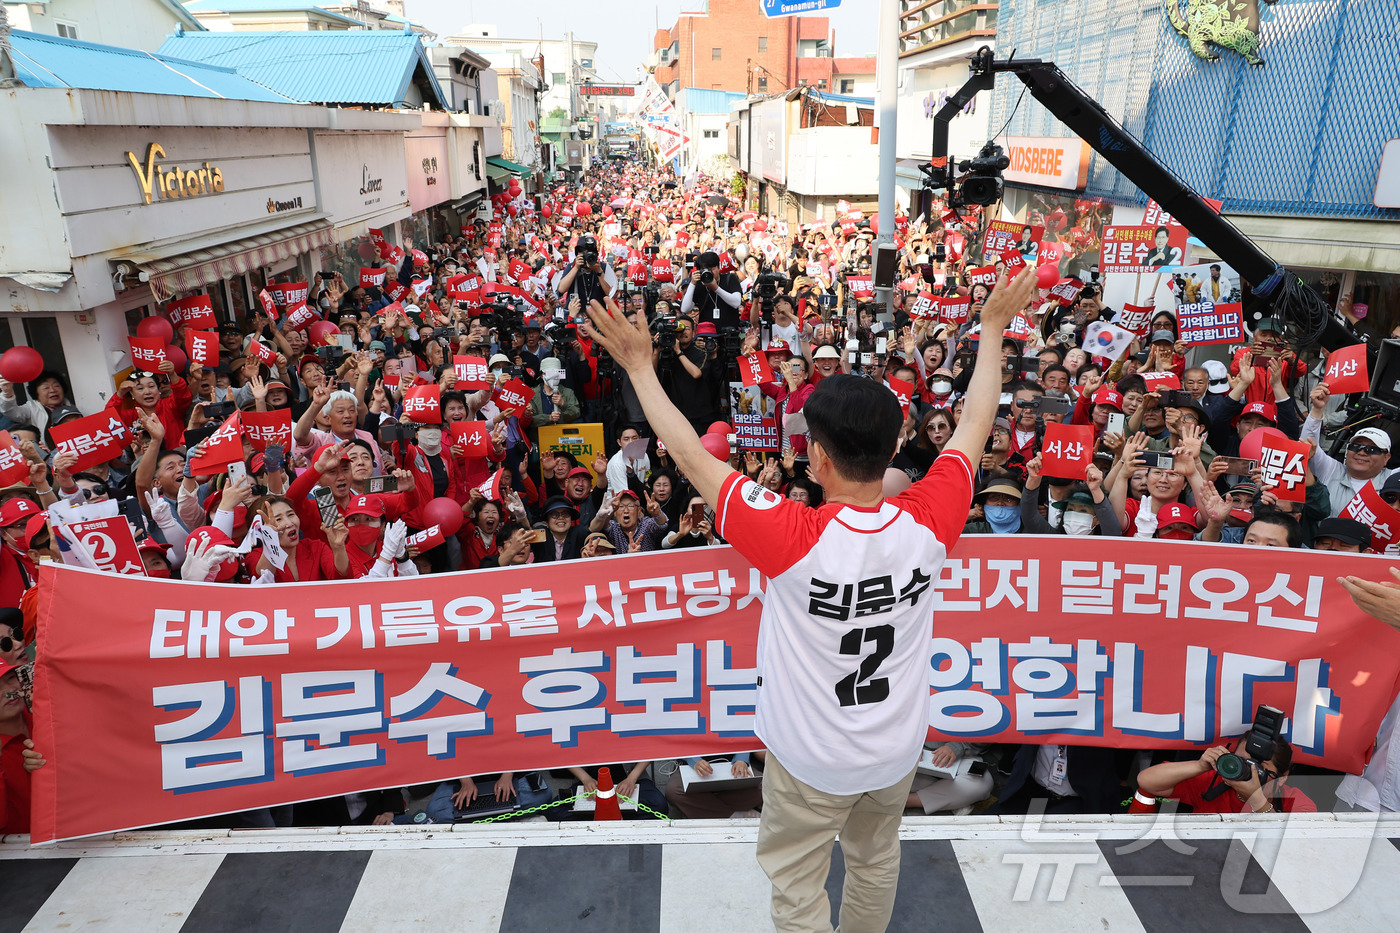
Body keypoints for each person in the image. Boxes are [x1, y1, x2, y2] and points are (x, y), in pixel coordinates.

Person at [581, 264, 1037, 933]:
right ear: (887, 454)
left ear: (817, 458)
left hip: (809, 759)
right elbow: (976, 419)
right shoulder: (931, 517)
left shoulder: (788, 532)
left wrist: (643, 368)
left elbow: (687, 452)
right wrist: (993, 330)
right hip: (894, 751)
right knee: (876, 859)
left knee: (798, 884)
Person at [1136, 737, 1316, 814]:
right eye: (1242, 762)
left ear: (1283, 776)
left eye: (1259, 767)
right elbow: (1147, 781)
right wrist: (1199, 766)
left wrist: (1257, 802)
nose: (1248, 771)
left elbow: (1295, 847)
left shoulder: (1297, 803)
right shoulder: (1216, 783)